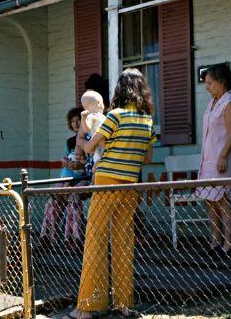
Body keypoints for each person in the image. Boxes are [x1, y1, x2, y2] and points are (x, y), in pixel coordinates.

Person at [69, 68, 157, 319]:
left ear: (121, 89)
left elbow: (87, 147)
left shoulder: (114, 116)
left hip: (106, 181)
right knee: (123, 242)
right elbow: (147, 158)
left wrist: (86, 127)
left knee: (95, 239)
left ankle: (87, 307)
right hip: (130, 184)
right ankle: (123, 302)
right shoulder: (147, 120)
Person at [195, 64, 231, 255]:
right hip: (208, 158)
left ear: (221, 82)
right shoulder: (213, 102)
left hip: (221, 159)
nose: (207, 87)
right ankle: (215, 241)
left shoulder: (228, 103)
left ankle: (229, 244)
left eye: (210, 83)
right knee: (210, 200)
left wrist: (222, 156)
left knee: (222, 200)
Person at [40, 108, 86, 249]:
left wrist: (80, 164)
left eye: (78, 120)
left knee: (73, 198)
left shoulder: (90, 138)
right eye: (72, 121)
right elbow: (63, 159)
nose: (76, 123)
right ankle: (46, 236)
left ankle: (73, 238)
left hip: (82, 179)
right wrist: (67, 163)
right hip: (66, 177)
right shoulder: (70, 142)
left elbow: (90, 161)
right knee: (52, 201)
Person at [81, 90, 106, 166]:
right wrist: (84, 119)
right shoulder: (92, 116)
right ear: (99, 103)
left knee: (100, 166)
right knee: (97, 166)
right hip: (98, 145)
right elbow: (87, 129)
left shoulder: (102, 116)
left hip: (104, 144)